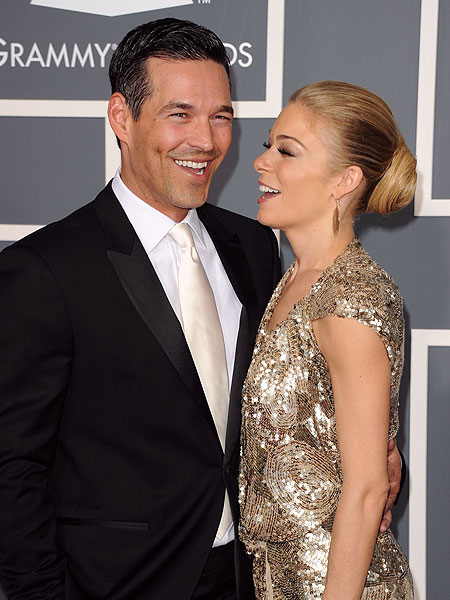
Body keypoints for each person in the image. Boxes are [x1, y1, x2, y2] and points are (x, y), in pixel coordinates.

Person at [0, 19, 401, 600]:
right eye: (180, 114)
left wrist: (375, 457)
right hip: (117, 584)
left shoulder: (255, 246)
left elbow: (298, 399)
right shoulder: (46, 269)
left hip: (252, 580)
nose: (207, 141)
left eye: (221, 117)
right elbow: (12, 466)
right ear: (122, 118)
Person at [238, 80, 416, 599]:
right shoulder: (292, 279)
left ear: (345, 179)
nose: (262, 162)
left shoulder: (350, 297)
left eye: (287, 151)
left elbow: (367, 489)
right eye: (268, 145)